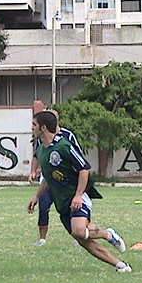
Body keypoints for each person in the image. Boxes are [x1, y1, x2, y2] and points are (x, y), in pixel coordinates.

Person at [27, 111, 131, 272]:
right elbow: (48, 177)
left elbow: (84, 169)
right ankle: (120, 265)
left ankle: (106, 234)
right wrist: (36, 196)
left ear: (43, 127)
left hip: (78, 198)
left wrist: (78, 195)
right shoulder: (41, 150)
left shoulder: (64, 146)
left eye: (34, 125)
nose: (32, 128)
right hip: (62, 204)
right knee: (83, 241)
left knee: (79, 231)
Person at [29, 110, 84, 246]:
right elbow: (37, 155)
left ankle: (81, 235)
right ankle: (42, 239)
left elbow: (81, 162)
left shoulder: (67, 137)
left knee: (72, 210)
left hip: (66, 183)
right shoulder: (41, 139)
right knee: (43, 206)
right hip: (48, 180)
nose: (32, 127)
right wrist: (33, 171)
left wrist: (78, 192)